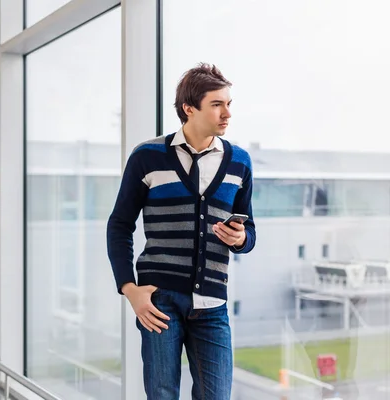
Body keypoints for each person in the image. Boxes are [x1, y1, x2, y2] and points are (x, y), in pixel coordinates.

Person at [106, 63, 256, 400]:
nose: (227, 113)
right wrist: (129, 288)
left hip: (213, 304)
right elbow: (119, 225)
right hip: (160, 300)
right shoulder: (147, 157)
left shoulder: (240, 162)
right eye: (217, 104)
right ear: (189, 108)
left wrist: (241, 238)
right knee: (162, 394)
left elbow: (250, 231)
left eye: (229, 104)